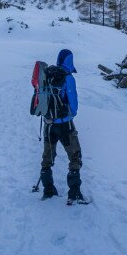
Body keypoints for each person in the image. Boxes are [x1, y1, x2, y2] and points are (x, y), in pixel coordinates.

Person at [40, 48, 85, 203]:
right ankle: (74, 194)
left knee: (47, 157)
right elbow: (73, 104)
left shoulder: (48, 74)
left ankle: (48, 190)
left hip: (48, 124)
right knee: (74, 156)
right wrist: (69, 115)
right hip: (65, 125)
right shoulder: (68, 78)